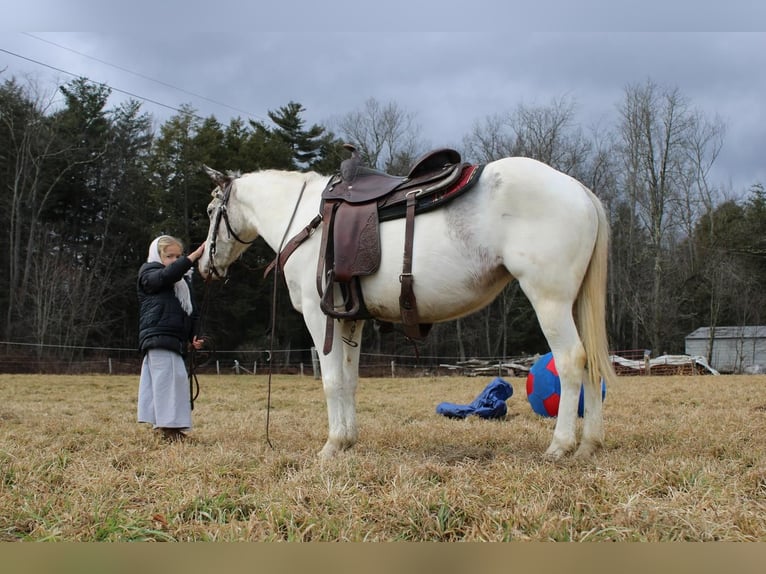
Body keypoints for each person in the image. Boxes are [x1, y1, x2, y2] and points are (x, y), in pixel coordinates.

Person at [137, 235, 206, 442]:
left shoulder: (183, 282)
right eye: (169, 256)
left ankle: (167, 427)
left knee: (172, 381)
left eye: (179, 255)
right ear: (157, 256)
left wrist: (194, 334)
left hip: (174, 340)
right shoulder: (148, 273)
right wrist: (192, 258)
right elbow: (166, 276)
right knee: (166, 381)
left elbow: (191, 311)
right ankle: (168, 429)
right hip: (158, 336)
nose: (175, 260)